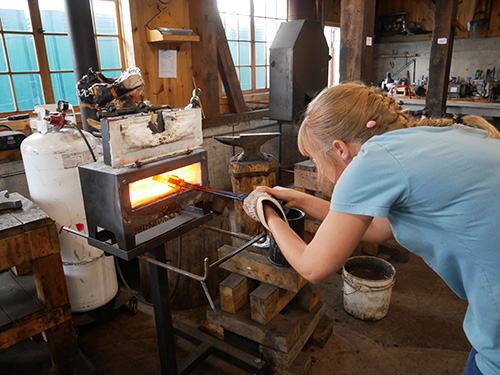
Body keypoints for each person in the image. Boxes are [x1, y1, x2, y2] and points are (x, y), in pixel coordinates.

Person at [243, 82, 500, 375]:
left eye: (314, 159)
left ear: (339, 148)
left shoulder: (370, 161)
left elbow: (312, 266)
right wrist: (298, 198)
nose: (316, 170)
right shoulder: (428, 137)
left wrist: (267, 213)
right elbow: (377, 228)